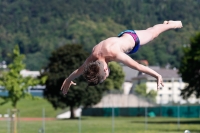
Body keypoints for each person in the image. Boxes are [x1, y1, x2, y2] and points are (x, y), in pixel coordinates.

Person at [61, 20, 183, 95]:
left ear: (105, 70)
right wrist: (68, 79)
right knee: (152, 32)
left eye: (106, 76)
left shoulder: (114, 54)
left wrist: (157, 75)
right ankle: (167, 24)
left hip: (133, 38)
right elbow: (79, 70)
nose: (108, 75)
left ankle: (174, 24)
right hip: (122, 38)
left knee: (153, 32)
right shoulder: (93, 57)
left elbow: (138, 66)